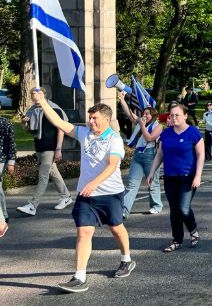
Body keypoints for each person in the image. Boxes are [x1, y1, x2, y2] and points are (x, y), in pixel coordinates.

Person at [32, 89, 135, 293]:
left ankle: (126, 259)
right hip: (86, 195)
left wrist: (94, 182)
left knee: (116, 227)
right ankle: (79, 277)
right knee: (83, 232)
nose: (91, 122)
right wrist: (43, 102)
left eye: (95, 118)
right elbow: (61, 123)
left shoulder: (114, 139)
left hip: (110, 193)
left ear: (106, 119)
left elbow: (113, 165)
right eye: (90, 118)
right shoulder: (85, 133)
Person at [143, 104, 204, 253]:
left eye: (177, 115)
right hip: (170, 177)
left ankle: (193, 230)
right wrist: (151, 173)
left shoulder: (193, 133)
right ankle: (177, 240)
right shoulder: (166, 134)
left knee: (183, 208)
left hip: (187, 177)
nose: (174, 117)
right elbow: (159, 155)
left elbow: (200, 155)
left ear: (185, 116)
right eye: (172, 115)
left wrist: (198, 176)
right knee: (174, 210)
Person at [17, 99, 73, 216]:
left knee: (43, 176)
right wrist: (24, 123)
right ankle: (66, 197)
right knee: (54, 172)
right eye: (33, 96)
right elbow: (29, 131)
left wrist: (58, 149)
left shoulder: (55, 110)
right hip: (39, 147)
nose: (35, 98)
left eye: (37, 95)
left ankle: (32, 205)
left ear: (43, 96)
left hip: (50, 148)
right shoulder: (33, 111)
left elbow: (61, 130)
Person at [116, 92, 163, 219]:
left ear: (153, 115)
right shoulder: (142, 122)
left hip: (151, 156)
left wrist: (141, 125)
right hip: (138, 155)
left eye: (147, 113)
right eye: (144, 113)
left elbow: (149, 138)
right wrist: (122, 100)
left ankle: (156, 206)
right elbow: (129, 114)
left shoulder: (158, 126)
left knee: (152, 182)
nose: (144, 115)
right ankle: (124, 210)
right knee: (131, 184)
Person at [0, 116, 15, 238]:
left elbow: (11, 143)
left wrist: (11, 162)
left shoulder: (5, 122)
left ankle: (2, 219)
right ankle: (4, 216)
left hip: (1, 160)